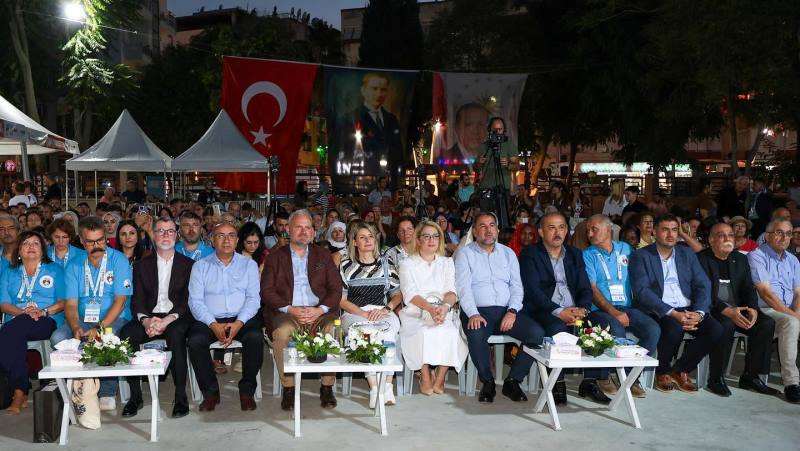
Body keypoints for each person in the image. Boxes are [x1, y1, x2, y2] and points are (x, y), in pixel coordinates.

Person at [519, 212, 613, 405]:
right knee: (558, 329)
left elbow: (585, 288)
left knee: (602, 326)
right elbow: (533, 292)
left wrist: (582, 310)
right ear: (541, 232)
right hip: (544, 310)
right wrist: (560, 312)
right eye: (551, 228)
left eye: (561, 227)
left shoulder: (575, 254)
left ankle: (589, 382)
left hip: (575, 309)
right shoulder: (530, 254)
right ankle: (558, 382)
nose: (557, 233)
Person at [456, 212, 543, 403]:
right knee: (476, 333)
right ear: (475, 231)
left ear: (497, 229)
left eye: (492, 225)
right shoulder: (465, 254)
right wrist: (473, 313)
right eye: (482, 226)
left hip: (506, 311)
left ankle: (513, 381)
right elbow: (463, 289)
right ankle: (487, 381)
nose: (488, 230)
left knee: (536, 334)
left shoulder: (508, 253)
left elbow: (517, 286)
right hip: (478, 311)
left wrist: (512, 311)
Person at [630, 214, 722, 393]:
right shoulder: (641, 256)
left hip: (688, 307)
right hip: (659, 308)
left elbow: (703, 284)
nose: (670, 234)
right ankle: (662, 371)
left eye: (674, 230)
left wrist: (699, 312)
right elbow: (642, 291)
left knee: (716, 329)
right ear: (654, 232)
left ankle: (680, 369)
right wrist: (672, 312)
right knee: (674, 327)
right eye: (665, 230)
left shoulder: (686, 253)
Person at [50, 216, 133, 411]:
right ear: (81, 240)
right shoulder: (74, 265)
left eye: (100, 240)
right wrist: (75, 327)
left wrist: (100, 328)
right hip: (82, 319)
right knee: (58, 338)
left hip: (114, 318)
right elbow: (71, 304)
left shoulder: (118, 260)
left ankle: (106, 391)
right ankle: (79, 389)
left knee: (106, 338)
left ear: (106, 238)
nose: (97, 246)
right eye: (90, 242)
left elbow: (120, 302)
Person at [261, 210, 342, 410]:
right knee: (282, 333)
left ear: (313, 232)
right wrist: (290, 309)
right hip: (288, 313)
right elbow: (266, 291)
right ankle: (289, 388)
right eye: (298, 227)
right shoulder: (275, 256)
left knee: (333, 330)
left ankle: (327, 386)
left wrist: (320, 310)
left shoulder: (323, 255)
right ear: (288, 230)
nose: (304, 232)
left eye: (308, 228)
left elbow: (336, 289)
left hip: (319, 313)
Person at [119, 218, 195, 418]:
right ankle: (135, 397)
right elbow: (138, 300)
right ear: (153, 235)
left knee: (177, 334)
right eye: (160, 231)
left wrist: (167, 320)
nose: (166, 235)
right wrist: (146, 321)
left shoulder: (189, 265)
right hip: (150, 317)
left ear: (176, 235)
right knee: (127, 334)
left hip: (176, 317)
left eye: (170, 231)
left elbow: (187, 301)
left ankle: (180, 396)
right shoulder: (141, 265)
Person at [696, 222, 779, 397]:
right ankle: (716, 378)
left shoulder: (740, 259)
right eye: (721, 235)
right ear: (711, 240)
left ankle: (751, 376)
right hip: (712, 309)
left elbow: (748, 288)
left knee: (766, 323)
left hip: (738, 309)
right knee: (725, 325)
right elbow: (703, 293)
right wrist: (726, 310)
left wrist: (753, 308)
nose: (728, 239)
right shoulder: (701, 260)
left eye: (730, 235)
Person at [187, 222, 263, 412]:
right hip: (210, 319)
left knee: (255, 337)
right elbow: (195, 302)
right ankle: (210, 393)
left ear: (237, 241)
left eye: (231, 235)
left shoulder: (249, 265)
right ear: (213, 241)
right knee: (195, 340)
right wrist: (213, 324)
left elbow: (253, 299)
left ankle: (247, 391)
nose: (226, 240)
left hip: (242, 318)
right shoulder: (200, 266)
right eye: (220, 235)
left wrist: (238, 323)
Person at [583, 214, 659, 397]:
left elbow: (640, 276)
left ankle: (630, 376)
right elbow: (592, 289)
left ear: (608, 229)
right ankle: (604, 376)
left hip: (626, 307)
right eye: (588, 230)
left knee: (653, 329)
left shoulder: (625, 249)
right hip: (599, 309)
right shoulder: (587, 255)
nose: (590, 234)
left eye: (594, 229)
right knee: (616, 329)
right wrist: (614, 312)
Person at [398, 220, 468, 394]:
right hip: (416, 311)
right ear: (418, 240)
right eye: (427, 236)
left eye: (436, 236)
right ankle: (425, 375)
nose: (432, 240)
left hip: (443, 310)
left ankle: (441, 375)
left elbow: (451, 291)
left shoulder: (447, 262)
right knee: (423, 332)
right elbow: (410, 294)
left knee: (451, 332)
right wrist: (430, 309)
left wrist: (445, 307)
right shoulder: (407, 263)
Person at [0, 231, 65, 414]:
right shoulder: (9, 272)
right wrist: (23, 312)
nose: (31, 247)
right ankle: (20, 390)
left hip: (45, 319)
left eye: (35, 243)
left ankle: (19, 392)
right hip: (16, 319)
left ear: (43, 250)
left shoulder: (55, 270)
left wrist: (43, 311)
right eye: (26, 243)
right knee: (16, 333)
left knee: (10, 332)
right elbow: (3, 304)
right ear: (19, 250)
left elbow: (64, 302)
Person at [338, 222, 402, 407]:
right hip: (354, 312)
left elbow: (397, 294)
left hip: (382, 311)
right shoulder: (346, 266)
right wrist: (363, 314)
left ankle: (387, 385)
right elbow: (341, 301)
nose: (367, 240)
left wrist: (386, 309)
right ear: (354, 242)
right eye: (362, 237)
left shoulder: (386, 263)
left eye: (371, 236)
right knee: (365, 332)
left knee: (389, 333)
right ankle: (374, 387)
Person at [747, 219, 800, 403]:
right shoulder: (757, 256)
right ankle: (792, 383)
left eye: (788, 233)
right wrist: (794, 315)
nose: (784, 237)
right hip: (766, 310)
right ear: (767, 235)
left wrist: (796, 311)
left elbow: (798, 292)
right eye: (779, 232)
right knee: (791, 323)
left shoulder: (793, 260)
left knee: (793, 320)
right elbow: (765, 294)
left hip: (790, 310)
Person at [341, 72, 402, 176]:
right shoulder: (350, 118)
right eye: (374, 89)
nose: (379, 94)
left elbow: (397, 150)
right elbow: (347, 149)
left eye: (383, 90)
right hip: (364, 173)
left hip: (389, 175)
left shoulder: (392, 119)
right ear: (363, 90)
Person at [476, 117, 519, 194]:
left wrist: (508, 165)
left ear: (504, 130)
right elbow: (476, 168)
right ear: (490, 130)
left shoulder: (509, 145)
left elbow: (517, 166)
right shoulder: (484, 146)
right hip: (486, 187)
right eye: (495, 129)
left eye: (500, 129)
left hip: (503, 188)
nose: (498, 132)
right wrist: (479, 163)